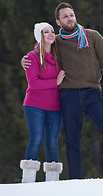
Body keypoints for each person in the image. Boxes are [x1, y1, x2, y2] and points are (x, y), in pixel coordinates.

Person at [21, 3, 103, 179]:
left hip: (92, 92)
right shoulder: (56, 41)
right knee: (72, 139)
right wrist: (25, 60)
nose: (70, 18)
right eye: (65, 16)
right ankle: (75, 179)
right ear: (59, 22)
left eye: (71, 14)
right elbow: (40, 48)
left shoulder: (92, 36)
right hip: (68, 95)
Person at [20, 22, 66, 183]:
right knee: (36, 138)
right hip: (34, 105)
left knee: (52, 141)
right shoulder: (31, 57)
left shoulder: (59, 56)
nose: (51, 34)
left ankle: (52, 183)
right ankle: (28, 181)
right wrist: (56, 82)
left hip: (55, 106)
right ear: (40, 36)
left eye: (52, 31)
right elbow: (34, 83)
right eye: (46, 32)